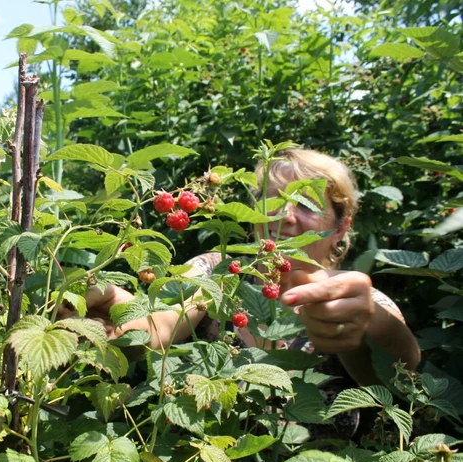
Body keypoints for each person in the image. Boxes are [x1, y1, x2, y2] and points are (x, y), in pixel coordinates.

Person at [60, 148, 421, 388]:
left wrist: (367, 324)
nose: (285, 215)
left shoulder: (363, 296)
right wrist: (120, 315)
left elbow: (401, 367)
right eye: (270, 201)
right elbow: (163, 323)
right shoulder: (218, 269)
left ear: (341, 224)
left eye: (307, 203)